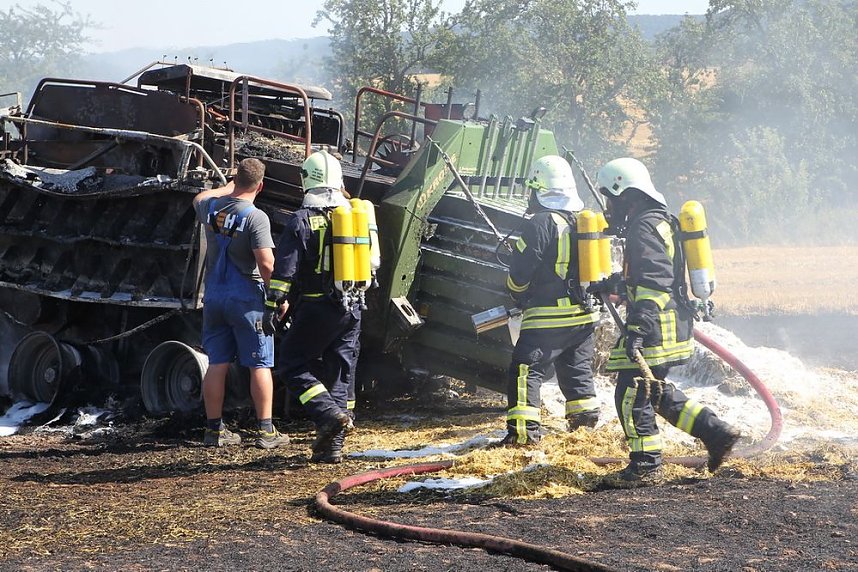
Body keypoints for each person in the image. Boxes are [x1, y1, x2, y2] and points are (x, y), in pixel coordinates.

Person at [595, 157, 740, 481]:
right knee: (651, 389)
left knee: (632, 392)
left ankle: (646, 465)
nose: (609, 206)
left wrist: (638, 327)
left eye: (610, 197)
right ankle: (715, 432)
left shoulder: (643, 226)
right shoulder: (659, 220)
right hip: (671, 320)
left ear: (625, 193)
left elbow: (655, 281)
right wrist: (617, 283)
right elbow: (658, 271)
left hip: (656, 324)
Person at [501, 155, 602, 446]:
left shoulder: (541, 223)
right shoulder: (581, 221)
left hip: (548, 317)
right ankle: (584, 427)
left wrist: (517, 294)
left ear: (539, 190)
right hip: (584, 317)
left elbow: (520, 273)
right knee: (576, 369)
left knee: (525, 368)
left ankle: (523, 434)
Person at [265, 149, 357, 463]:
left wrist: (271, 305)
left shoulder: (302, 220)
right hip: (354, 307)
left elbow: (284, 272)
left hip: (318, 308)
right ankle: (332, 448)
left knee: (291, 364)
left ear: (307, 181)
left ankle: (328, 414)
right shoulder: (355, 218)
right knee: (338, 373)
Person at [193, 157, 289, 449]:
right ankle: (266, 431)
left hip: (215, 295)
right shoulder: (255, 217)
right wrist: (279, 297)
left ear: (236, 179)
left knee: (217, 363)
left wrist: (226, 187)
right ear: (261, 186)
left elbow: (199, 196)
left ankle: (213, 431)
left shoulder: (212, 208)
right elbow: (266, 263)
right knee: (259, 363)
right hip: (245, 297)